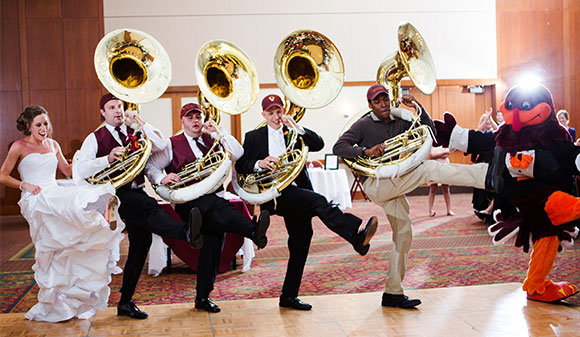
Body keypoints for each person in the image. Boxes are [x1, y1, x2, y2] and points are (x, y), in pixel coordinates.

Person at [333, 84, 502, 308]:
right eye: (377, 101)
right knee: (428, 169)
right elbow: (339, 147)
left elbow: (429, 131)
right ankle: (486, 175)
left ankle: (392, 292)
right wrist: (365, 151)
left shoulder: (400, 120)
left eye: (385, 99)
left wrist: (418, 108)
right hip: (376, 184)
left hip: (393, 181)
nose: (383, 104)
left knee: (403, 233)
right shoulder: (363, 125)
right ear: (370, 105)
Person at [235, 94, 379, 311]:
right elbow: (241, 165)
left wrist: (299, 128)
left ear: (283, 111)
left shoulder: (292, 131)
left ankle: (289, 296)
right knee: (319, 201)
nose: (276, 116)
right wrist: (259, 163)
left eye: (278, 111)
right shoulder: (253, 136)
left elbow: (319, 144)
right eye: (271, 112)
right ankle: (354, 235)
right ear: (264, 114)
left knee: (300, 242)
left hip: (297, 191)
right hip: (274, 194)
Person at [73, 93, 202, 319]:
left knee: (140, 245)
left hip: (135, 189)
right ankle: (185, 232)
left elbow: (161, 144)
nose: (117, 111)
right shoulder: (95, 138)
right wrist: (107, 159)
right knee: (149, 206)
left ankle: (125, 302)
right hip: (114, 194)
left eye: (120, 106)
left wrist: (141, 122)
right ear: (102, 113)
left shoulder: (134, 131)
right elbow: (80, 170)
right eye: (111, 107)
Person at [0, 106, 124, 322]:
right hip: (35, 197)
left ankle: (67, 302)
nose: (43, 128)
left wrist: (94, 162)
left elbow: (68, 172)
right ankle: (98, 210)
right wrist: (24, 185)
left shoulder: (53, 144)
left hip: (53, 190)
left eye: (46, 123)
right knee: (54, 239)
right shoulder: (19, 147)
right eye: (38, 124)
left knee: (66, 244)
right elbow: (3, 176)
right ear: (28, 126)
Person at [144, 103, 270, 313]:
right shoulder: (171, 143)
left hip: (212, 202)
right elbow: (151, 167)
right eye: (190, 117)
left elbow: (238, 153)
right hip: (189, 203)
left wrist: (220, 133)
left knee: (211, 249)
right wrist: (161, 177)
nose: (195, 121)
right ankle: (252, 231)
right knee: (218, 208)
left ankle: (202, 297)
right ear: (182, 121)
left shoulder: (213, 139)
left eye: (198, 117)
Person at [427, 146, 454, 217]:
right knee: (433, 189)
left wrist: (438, 154)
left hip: (444, 166)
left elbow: (447, 154)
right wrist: (442, 153)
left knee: (446, 189)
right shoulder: (432, 144)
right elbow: (432, 155)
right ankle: (430, 210)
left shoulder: (445, 143)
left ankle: (448, 210)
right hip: (434, 167)